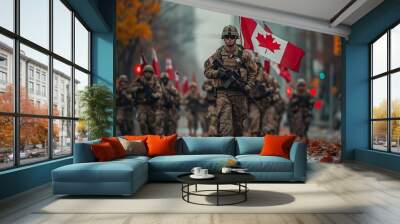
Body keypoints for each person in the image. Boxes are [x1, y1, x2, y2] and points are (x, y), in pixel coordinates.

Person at [203, 25, 257, 136]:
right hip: (223, 94)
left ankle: (238, 151)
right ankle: (226, 150)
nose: (229, 39)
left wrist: (248, 86)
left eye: (232, 37)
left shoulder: (244, 54)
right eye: (227, 37)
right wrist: (218, 73)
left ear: (236, 38)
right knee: (225, 125)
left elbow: (253, 71)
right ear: (224, 38)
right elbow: (206, 70)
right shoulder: (218, 54)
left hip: (239, 94)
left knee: (239, 127)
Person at [131, 65, 162, 134]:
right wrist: (138, 88)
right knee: (142, 122)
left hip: (151, 106)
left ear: (152, 73)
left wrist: (153, 96)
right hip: (142, 105)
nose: (147, 74)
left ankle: (151, 138)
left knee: (152, 125)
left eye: (149, 72)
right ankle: (145, 137)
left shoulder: (155, 82)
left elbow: (160, 92)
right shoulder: (139, 80)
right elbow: (130, 89)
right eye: (146, 72)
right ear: (144, 73)